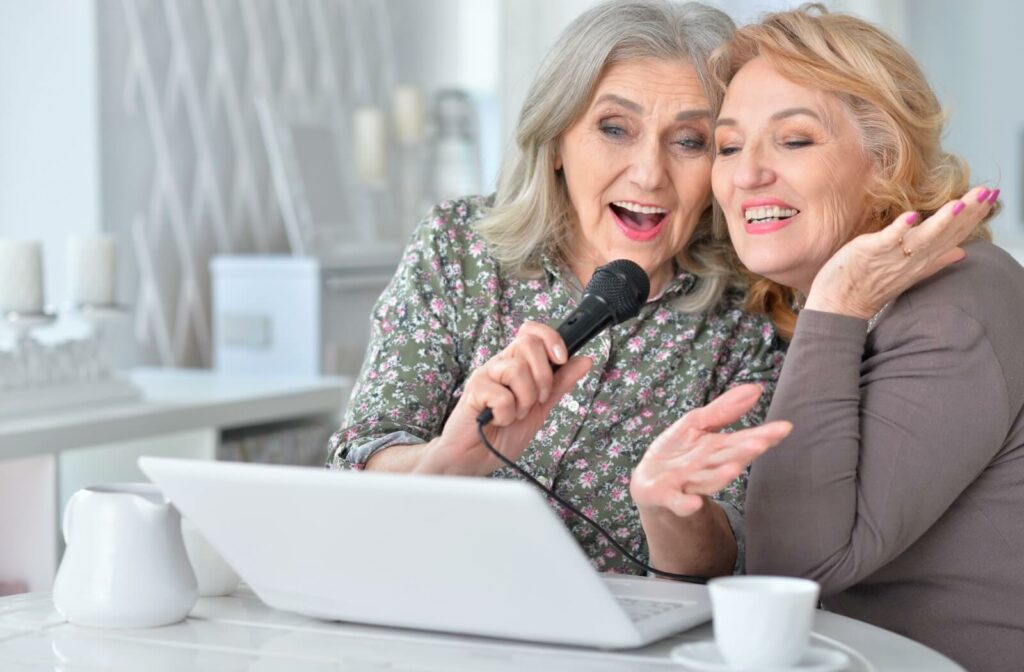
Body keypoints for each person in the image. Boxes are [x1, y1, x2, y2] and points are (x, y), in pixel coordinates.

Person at [327, 0, 794, 579]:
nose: (649, 173)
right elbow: (361, 456)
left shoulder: (750, 312)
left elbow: (730, 560)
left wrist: (671, 508)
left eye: (690, 141)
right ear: (555, 143)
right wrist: (448, 461)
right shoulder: (459, 246)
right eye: (615, 129)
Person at [704, 6, 1020, 670]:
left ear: (884, 160)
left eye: (794, 140)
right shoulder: (816, 307)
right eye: (728, 147)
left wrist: (837, 303)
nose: (746, 173)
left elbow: (792, 570)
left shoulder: (957, 302)